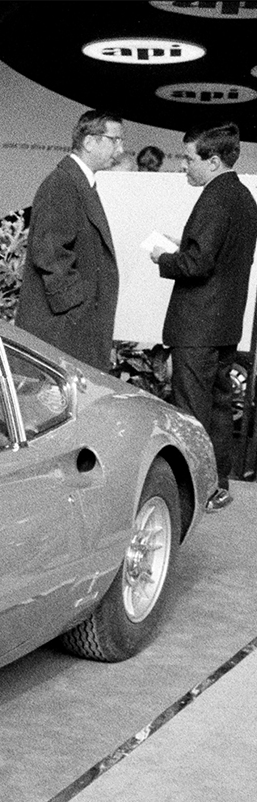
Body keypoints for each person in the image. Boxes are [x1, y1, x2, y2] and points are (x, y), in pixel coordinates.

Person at [150, 122, 257, 512]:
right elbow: (225, 256)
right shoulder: (243, 197)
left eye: (188, 158)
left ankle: (191, 493)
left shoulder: (214, 198)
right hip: (225, 324)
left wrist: (163, 258)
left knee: (191, 411)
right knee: (218, 407)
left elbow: (198, 264)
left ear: (212, 161)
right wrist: (187, 246)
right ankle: (216, 486)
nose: (183, 166)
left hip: (198, 325)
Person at [17, 109, 123, 370]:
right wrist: (77, 307)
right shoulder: (62, 184)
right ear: (89, 142)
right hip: (63, 329)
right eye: (115, 140)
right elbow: (50, 251)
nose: (120, 149)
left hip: (72, 327)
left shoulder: (78, 182)